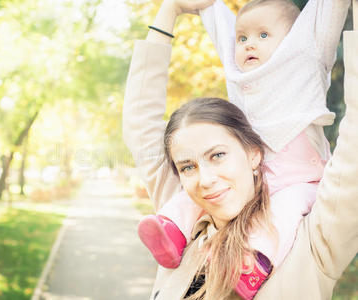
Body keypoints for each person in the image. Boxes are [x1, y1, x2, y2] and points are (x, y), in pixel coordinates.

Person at [122, 0, 358, 298]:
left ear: (253, 153)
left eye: (217, 155)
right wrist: (170, 10)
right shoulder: (185, 225)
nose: (205, 179)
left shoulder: (315, 235)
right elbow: (139, 123)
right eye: (187, 167)